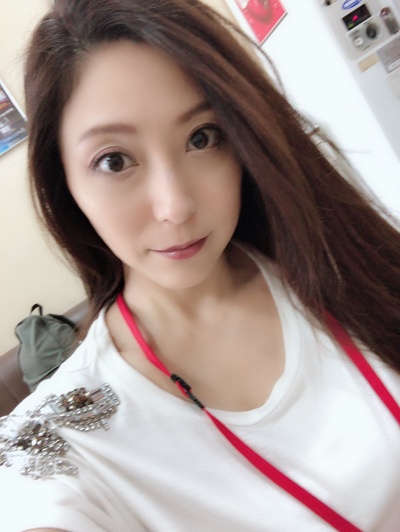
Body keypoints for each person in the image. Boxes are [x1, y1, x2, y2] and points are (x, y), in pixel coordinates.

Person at [0, 0, 399, 530]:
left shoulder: (333, 256)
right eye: (114, 160)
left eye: (202, 137)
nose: (176, 206)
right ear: (65, 184)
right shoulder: (65, 443)